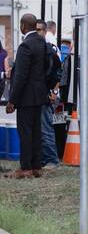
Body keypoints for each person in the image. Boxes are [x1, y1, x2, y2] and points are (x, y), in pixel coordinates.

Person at [4, 14, 48, 179]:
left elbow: (21, 76)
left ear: (23, 26)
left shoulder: (25, 46)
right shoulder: (41, 42)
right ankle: (36, 166)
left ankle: (26, 168)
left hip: (26, 97)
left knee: (25, 132)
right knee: (36, 131)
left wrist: (12, 100)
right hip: (39, 95)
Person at [35, 20, 62, 170]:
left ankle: (52, 160)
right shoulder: (38, 47)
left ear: (45, 32)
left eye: (40, 30)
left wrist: (54, 92)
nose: (37, 33)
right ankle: (45, 159)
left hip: (48, 93)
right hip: (40, 93)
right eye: (36, 30)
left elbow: (59, 72)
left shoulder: (50, 48)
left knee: (46, 128)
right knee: (41, 128)